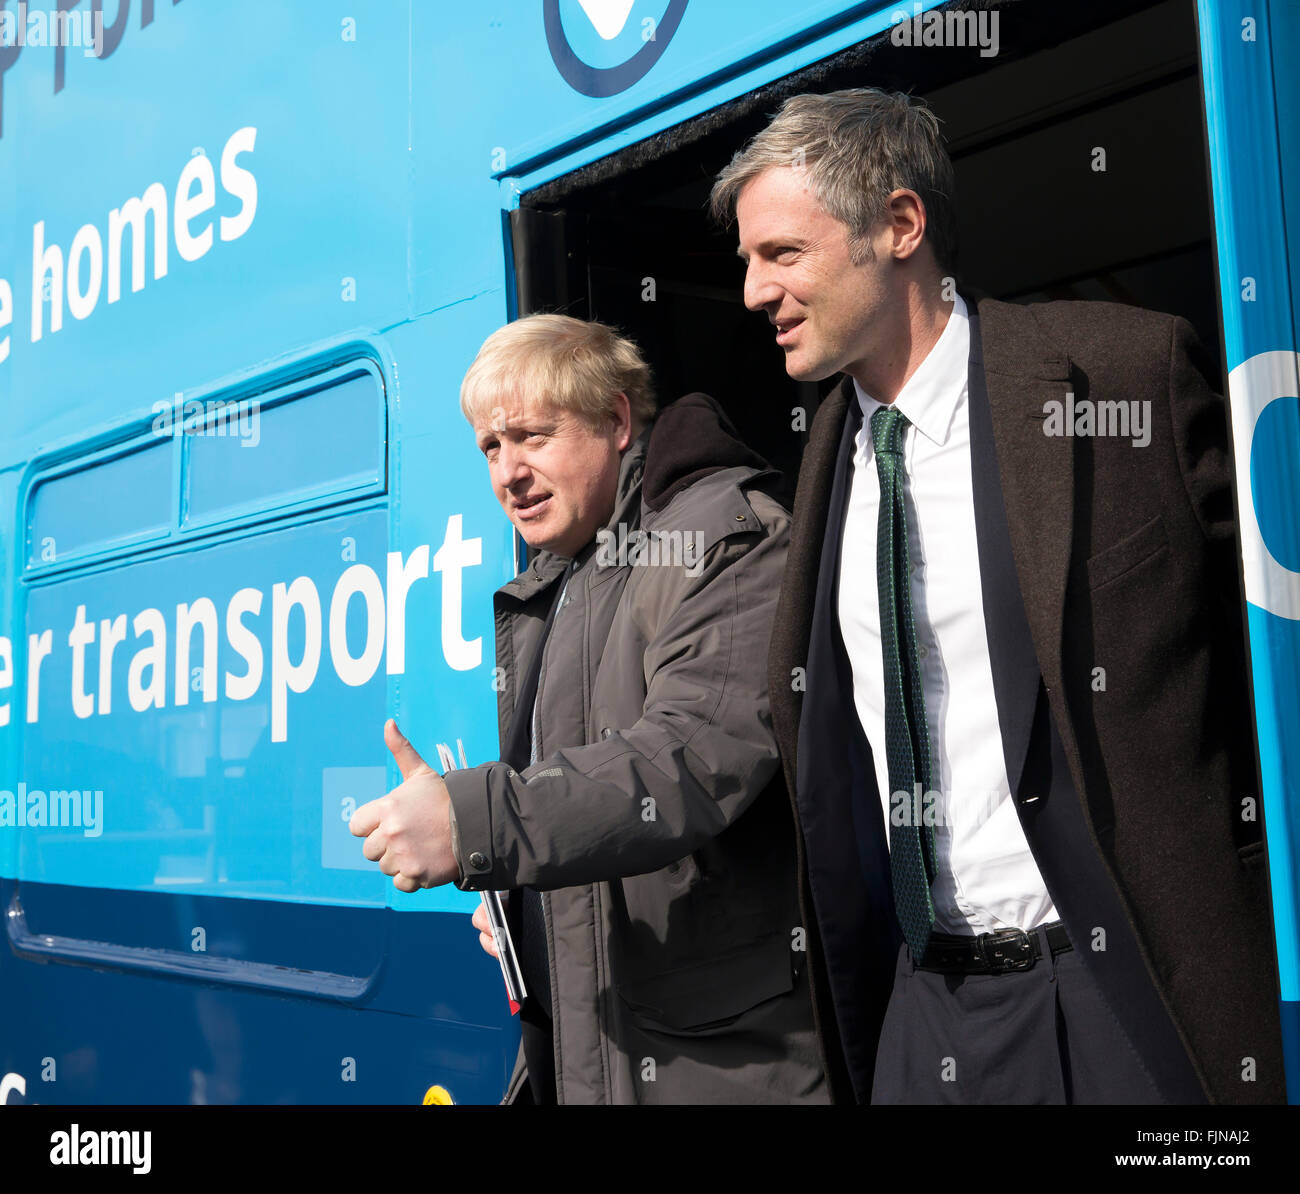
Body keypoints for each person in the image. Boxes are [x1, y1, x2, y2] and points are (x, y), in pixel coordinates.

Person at [708, 86, 1285, 1104]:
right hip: (928, 1020)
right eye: (748, 259)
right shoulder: (824, 463)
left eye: (781, 253)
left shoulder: (1120, 375)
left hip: (1132, 1004)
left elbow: (1264, 662)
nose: (752, 290)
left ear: (898, 225)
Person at [349, 313, 825, 1104]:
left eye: (532, 436)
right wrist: (524, 905)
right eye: (490, 448)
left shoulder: (722, 535)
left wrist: (478, 822)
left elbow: (689, 761)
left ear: (616, 420)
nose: (509, 473)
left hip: (719, 1066)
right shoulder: (568, 573)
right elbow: (593, 809)